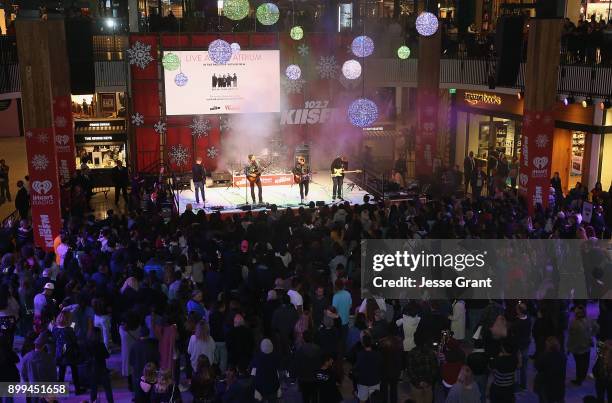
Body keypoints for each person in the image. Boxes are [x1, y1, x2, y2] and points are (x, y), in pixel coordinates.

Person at [52, 311, 85, 393]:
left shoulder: (55, 329)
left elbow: (54, 339)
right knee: (74, 371)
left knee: (61, 372)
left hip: (60, 352)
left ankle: (61, 390)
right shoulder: (69, 330)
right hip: (70, 353)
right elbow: (74, 340)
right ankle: (77, 389)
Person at [568, 304, 598, 386]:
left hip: (578, 347)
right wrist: (591, 335)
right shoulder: (589, 320)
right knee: (585, 363)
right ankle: (582, 377)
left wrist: (569, 348)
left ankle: (579, 380)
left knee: (579, 364)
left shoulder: (573, 323)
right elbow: (596, 328)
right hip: (587, 345)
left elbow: (571, 337)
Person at [534, 336, 566, 403]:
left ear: (547, 345)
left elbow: (537, 367)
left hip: (546, 384)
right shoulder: (562, 356)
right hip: (559, 383)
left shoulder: (544, 357)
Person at [129, 326, 161, 394]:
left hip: (138, 375)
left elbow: (131, 362)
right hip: (151, 374)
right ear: (148, 334)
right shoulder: (153, 345)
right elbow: (158, 359)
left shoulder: (134, 345)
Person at [87, 327, 114, 403]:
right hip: (102, 369)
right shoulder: (101, 345)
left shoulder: (87, 344)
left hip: (92, 370)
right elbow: (107, 356)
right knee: (108, 389)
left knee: (93, 390)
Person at [353, 333, 383, 403]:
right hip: (375, 381)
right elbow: (381, 367)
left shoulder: (360, 355)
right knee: (375, 400)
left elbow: (357, 367)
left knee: (362, 400)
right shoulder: (378, 354)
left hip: (363, 381)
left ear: (363, 343)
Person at [251, 338, 281, 402]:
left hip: (260, 387)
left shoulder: (257, 358)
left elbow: (253, 372)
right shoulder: (275, 357)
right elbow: (279, 369)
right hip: (273, 386)